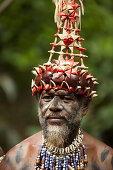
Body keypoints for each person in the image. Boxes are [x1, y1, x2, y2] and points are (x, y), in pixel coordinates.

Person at [0, 0, 113, 169]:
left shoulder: (105, 160)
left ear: (84, 107)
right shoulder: (15, 160)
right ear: (38, 102)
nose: (54, 107)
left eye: (65, 98)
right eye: (47, 98)